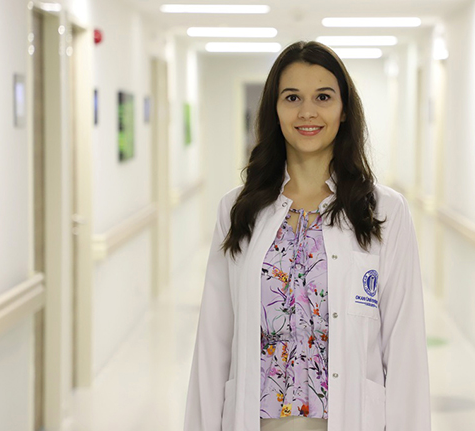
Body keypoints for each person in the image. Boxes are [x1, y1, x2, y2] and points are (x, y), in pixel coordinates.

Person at [183, 41, 431, 431]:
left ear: (344, 109)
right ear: (275, 108)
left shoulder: (384, 212)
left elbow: (405, 347)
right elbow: (213, 344)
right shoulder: (238, 210)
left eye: (323, 97)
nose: (307, 112)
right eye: (292, 97)